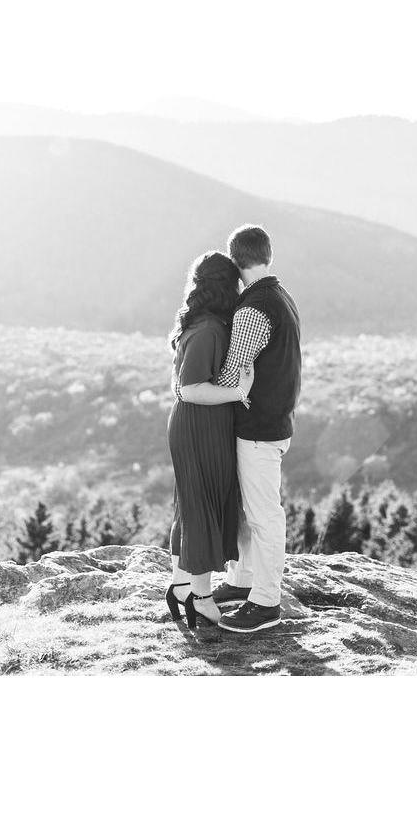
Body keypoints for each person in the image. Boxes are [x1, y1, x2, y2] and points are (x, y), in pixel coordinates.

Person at [213, 225, 302, 633]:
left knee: (264, 515)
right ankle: (242, 579)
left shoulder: (253, 310)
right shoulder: (282, 297)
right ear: (268, 255)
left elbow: (232, 376)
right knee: (250, 511)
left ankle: (266, 602)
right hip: (274, 422)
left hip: (257, 429)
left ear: (236, 262)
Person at [165, 251, 254, 630]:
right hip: (199, 426)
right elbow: (190, 389)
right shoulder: (209, 330)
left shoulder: (204, 323)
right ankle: (201, 599)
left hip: (202, 425)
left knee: (194, 506)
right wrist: (239, 393)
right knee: (201, 509)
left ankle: (182, 586)